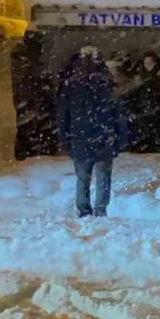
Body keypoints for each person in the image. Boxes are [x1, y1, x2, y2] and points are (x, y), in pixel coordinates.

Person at [56, 46, 130, 218]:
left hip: (80, 137)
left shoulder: (71, 86)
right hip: (104, 137)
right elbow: (119, 114)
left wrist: (65, 139)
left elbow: (63, 116)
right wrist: (120, 139)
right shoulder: (106, 84)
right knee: (103, 176)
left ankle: (84, 210)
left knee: (83, 178)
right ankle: (100, 210)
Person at [9, 30, 59, 160]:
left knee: (28, 126)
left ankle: (30, 150)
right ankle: (39, 150)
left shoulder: (21, 57)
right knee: (35, 125)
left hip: (27, 97)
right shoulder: (31, 59)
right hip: (33, 97)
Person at [127, 51, 160, 152]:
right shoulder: (142, 77)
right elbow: (135, 94)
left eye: (149, 63)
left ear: (155, 63)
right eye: (146, 63)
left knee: (152, 134)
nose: (147, 66)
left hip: (154, 110)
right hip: (144, 109)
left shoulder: (158, 77)